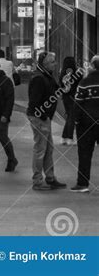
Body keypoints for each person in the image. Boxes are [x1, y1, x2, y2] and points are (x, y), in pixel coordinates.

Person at [26, 51, 66, 191]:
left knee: (48, 149)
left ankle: (50, 177)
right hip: (39, 117)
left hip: (44, 117)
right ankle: (37, 181)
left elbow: (57, 91)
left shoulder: (47, 76)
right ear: (45, 64)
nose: (55, 64)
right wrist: (42, 116)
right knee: (40, 149)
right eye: (52, 62)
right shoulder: (39, 78)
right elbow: (34, 100)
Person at [71, 54, 99, 193]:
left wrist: (75, 121)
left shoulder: (84, 82)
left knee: (85, 154)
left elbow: (78, 104)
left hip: (86, 124)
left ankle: (83, 184)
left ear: (93, 66)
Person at [59, 56, 82, 145]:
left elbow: (61, 85)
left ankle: (64, 137)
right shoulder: (77, 73)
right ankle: (68, 137)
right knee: (71, 117)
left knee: (69, 116)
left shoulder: (62, 73)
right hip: (74, 96)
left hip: (65, 97)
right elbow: (80, 82)